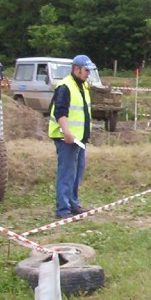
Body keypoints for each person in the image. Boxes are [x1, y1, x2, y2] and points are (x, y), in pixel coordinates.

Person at [48, 54, 95, 219]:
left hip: (79, 138)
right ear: (76, 69)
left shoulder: (82, 86)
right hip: (66, 138)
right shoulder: (65, 87)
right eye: (86, 70)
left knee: (77, 172)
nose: (88, 73)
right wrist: (66, 132)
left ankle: (73, 203)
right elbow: (60, 111)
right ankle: (63, 208)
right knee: (67, 173)